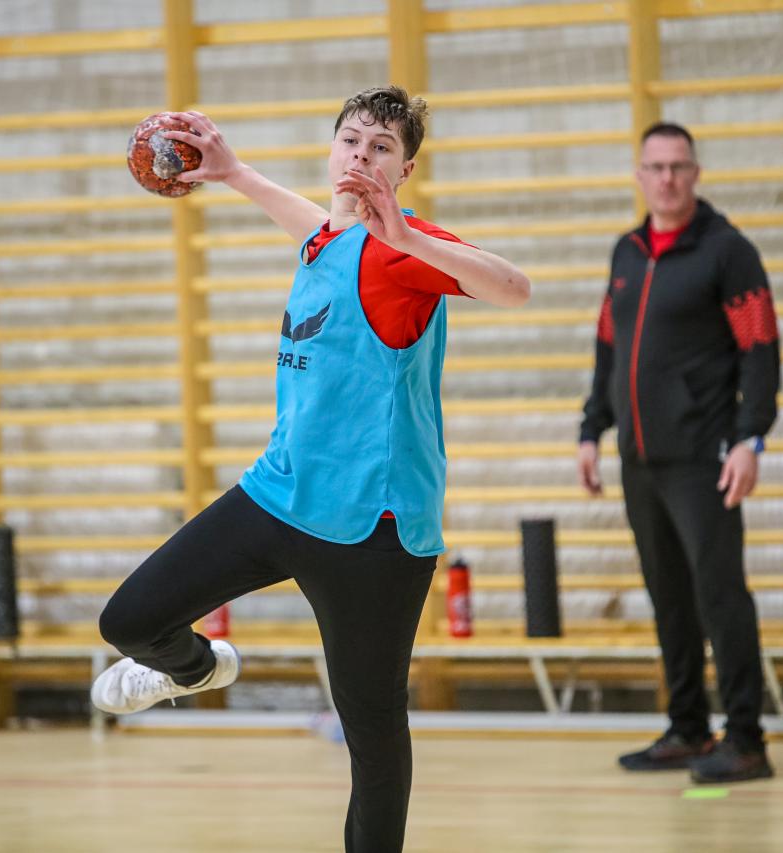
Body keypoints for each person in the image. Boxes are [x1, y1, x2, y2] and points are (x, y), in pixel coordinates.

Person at [92, 86, 530, 851]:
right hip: (279, 495)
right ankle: (195, 669)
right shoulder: (329, 239)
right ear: (332, 151)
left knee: (373, 733)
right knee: (128, 621)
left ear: (404, 170)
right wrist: (233, 173)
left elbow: (514, 289)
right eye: (351, 140)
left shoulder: (406, 248)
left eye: (382, 148)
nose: (362, 155)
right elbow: (316, 227)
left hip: (372, 530)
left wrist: (405, 232)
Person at [578, 121, 781, 784]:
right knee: (669, 598)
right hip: (640, 458)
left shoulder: (728, 252)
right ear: (640, 176)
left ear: (695, 174)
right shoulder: (627, 253)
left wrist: (751, 438)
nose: (667, 178)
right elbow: (609, 347)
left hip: (704, 456)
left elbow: (761, 349)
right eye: (656, 167)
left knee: (720, 596)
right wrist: (591, 429)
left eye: (679, 166)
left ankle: (746, 739)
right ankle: (689, 728)